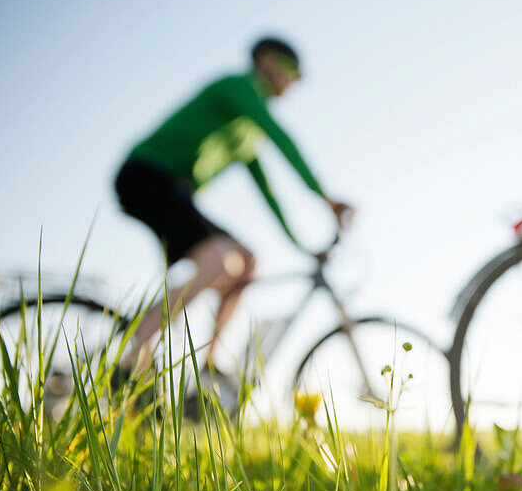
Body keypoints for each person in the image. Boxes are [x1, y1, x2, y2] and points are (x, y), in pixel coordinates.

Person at [115, 36, 352, 374]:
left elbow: (269, 194)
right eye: (292, 73)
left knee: (248, 263)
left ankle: (209, 370)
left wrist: (303, 247)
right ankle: (133, 351)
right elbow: (280, 137)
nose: (293, 83)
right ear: (268, 62)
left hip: (171, 190)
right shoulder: (239, 88)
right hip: (145, 176)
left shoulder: (246, 132)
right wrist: (325, 197)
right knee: (220, 260)